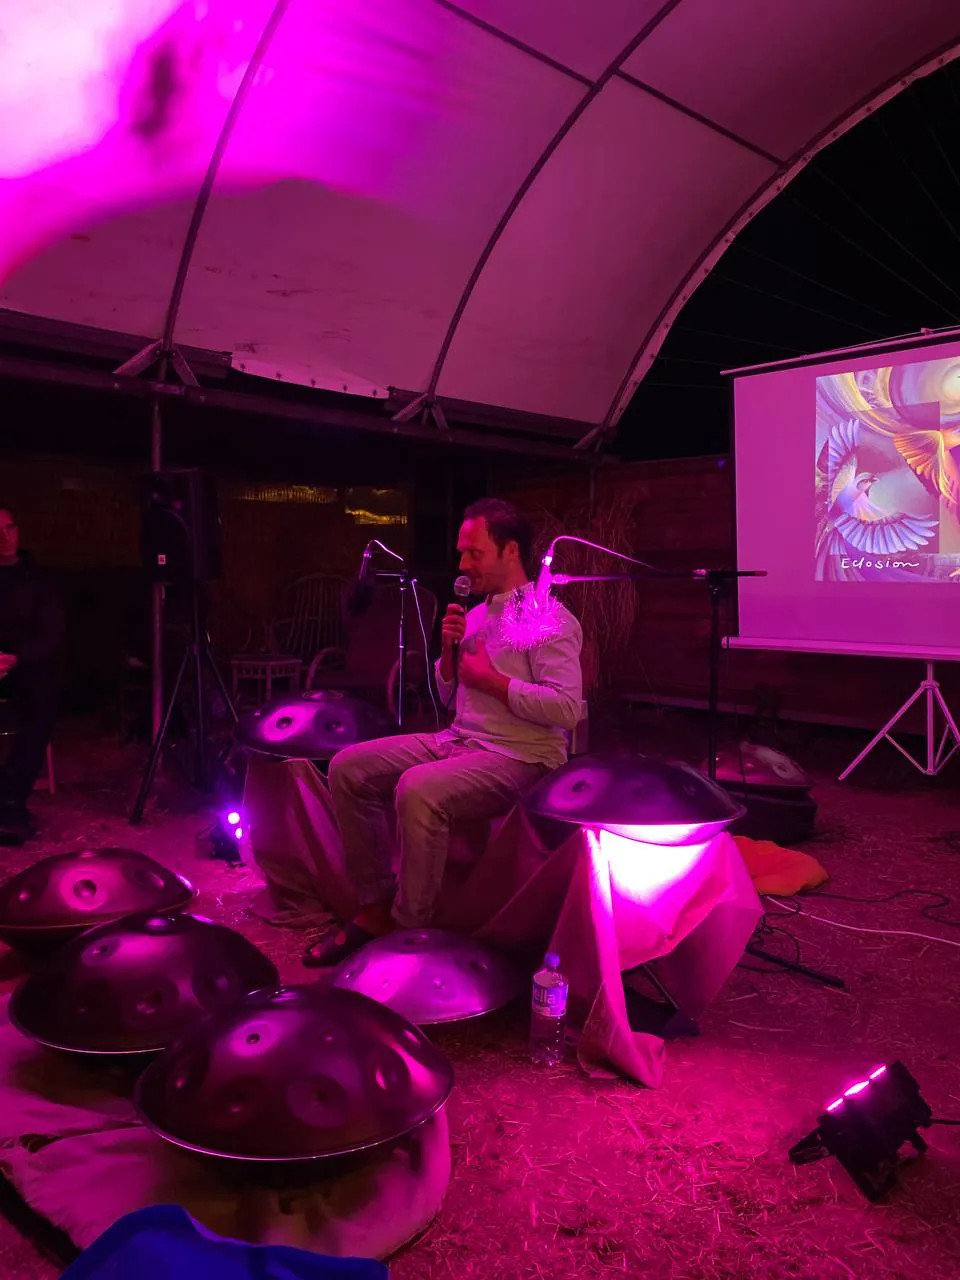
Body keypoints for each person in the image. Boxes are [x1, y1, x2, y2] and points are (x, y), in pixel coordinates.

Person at [304, 498, 583, 966]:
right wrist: (449, 655)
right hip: (460, 740)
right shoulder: (474, 615)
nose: (462, 565)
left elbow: (567, 709)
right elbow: (451, 695)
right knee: (348, 766)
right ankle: (374, 908)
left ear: (510, 551)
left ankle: (410, 934)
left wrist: (490, 680)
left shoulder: (548, 619)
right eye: (461, 554)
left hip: (522, 757)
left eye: (474, 553)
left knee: (418, 789)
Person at [0, 506, 65, 845]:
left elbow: (51, 633)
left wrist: (16, 658)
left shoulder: (38, 579)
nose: (4, 537)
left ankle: (10, 799)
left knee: (41, 707)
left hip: (23, 665)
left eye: (9, 527)